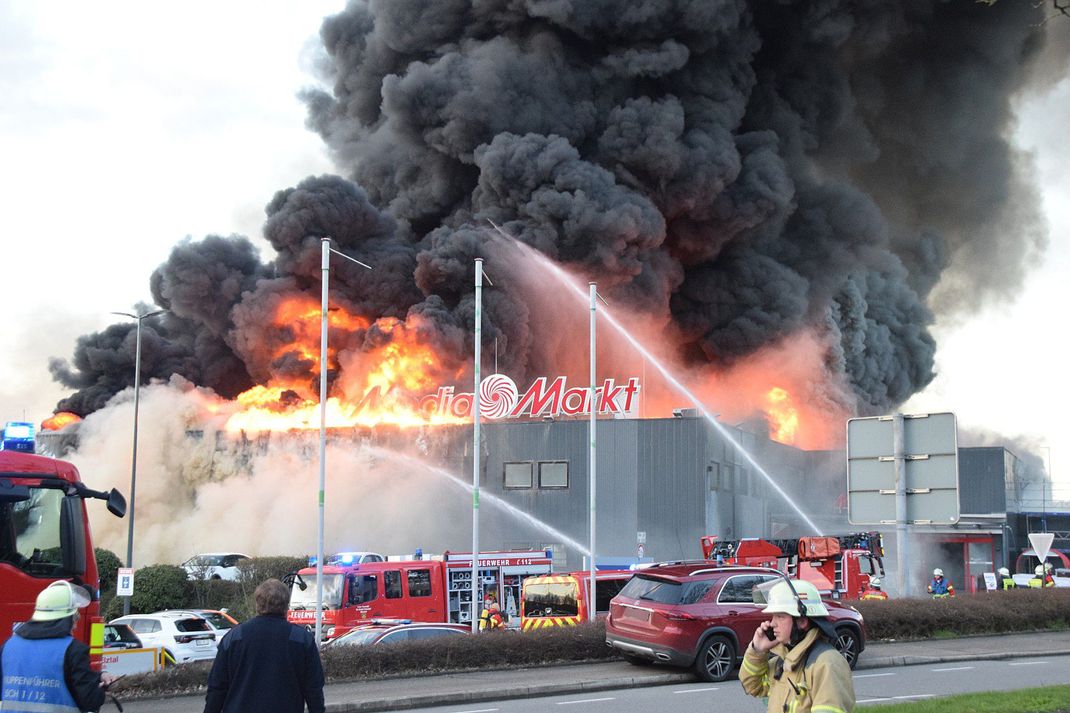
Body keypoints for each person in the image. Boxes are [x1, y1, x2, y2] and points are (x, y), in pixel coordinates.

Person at [204, 578, 324, 713]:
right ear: (286, 605)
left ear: (258, 604)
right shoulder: (302, 639)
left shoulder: (234, 638)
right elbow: (314, 690)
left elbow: (217, 688)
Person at [740, 579, 855, 713]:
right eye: (773, 616)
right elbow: (752, 686)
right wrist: (757, 650)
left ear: (802, 621)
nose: (772, 624)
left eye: (780, 617)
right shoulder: (784, 662)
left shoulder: (827, 663)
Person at [0, 580, 111, 712]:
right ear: (66, 618)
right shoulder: (74, 650)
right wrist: (101, 687)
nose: (75, 625)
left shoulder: (8, 646)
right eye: (75, 617)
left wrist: (97, 676)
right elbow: (90, 701)